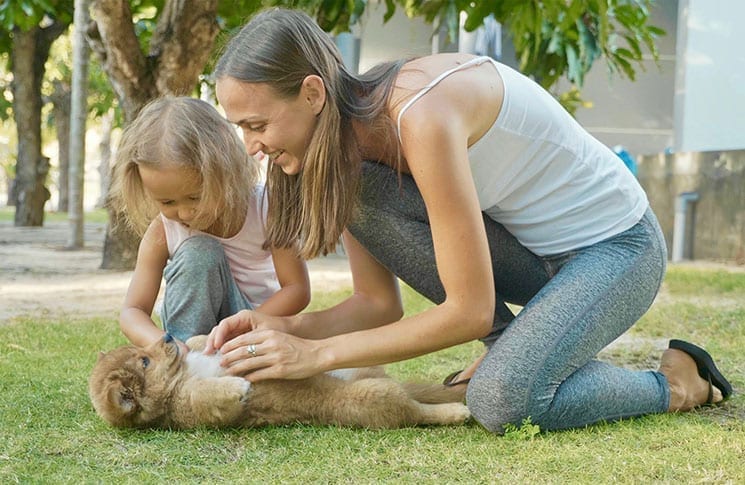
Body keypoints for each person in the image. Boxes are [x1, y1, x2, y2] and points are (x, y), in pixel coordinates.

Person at [204, 8, 732, 433]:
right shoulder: (350, 156)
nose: (253, 147)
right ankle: (523, 350)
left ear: (313, 93)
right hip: (535, 258)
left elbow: (470, 311)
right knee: (357, 189)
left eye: (257, 124)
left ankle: (678, 383)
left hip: (618, 251)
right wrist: (284, 328)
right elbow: (376, 303)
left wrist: (314, 354)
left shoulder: (421, 115)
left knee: (499, 400)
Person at [108, 96, 310, 351]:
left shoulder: (266, 208)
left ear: (225, 172)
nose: (185, 213)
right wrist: (165, 344)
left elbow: (297, 289)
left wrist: (245, 326)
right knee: (199, 252)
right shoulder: (163, 230)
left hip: (253, 325)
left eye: (195, 197)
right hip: (189, 343)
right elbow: (132, 311)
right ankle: (191, 367)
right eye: (167, 202)